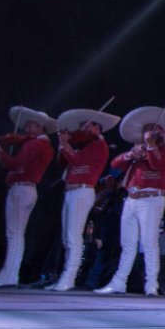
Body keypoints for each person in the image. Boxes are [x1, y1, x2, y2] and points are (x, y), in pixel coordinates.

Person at [95, 105, 165, 296]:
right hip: (131, 199)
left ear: (162, 133)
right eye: (147, 129)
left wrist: (151, 146)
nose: (150, 133)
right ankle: (119, 282)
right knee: (127, 243)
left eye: (154, 129)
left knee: (149, 242)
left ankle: (151, 284)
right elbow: (115, 164)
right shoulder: (138, 149)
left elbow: (159, 165)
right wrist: (130, 155)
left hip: (151, 199)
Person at [0, 106, 58, 287]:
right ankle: (10, 273)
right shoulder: (43, 145)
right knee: (16, 234)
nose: (26, 129)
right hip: (27, 189)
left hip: (22, 189)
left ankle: (9, 274)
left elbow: (14, 164)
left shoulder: (35, 144)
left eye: (30, 125)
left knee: (14, 234)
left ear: (40, 127)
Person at [47, 107, 120, 291]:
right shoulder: (84, 145)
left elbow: (77, 161)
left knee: (73, 236)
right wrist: (63, 145)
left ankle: (69, 277)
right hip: (70, 191)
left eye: (89, 126)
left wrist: (66, 145)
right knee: (66, 236)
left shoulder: (98, 145)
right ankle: (64, 275)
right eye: (82, 127)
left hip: (82, 191)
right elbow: (63, 162)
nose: (84, 130)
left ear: (98, 128)